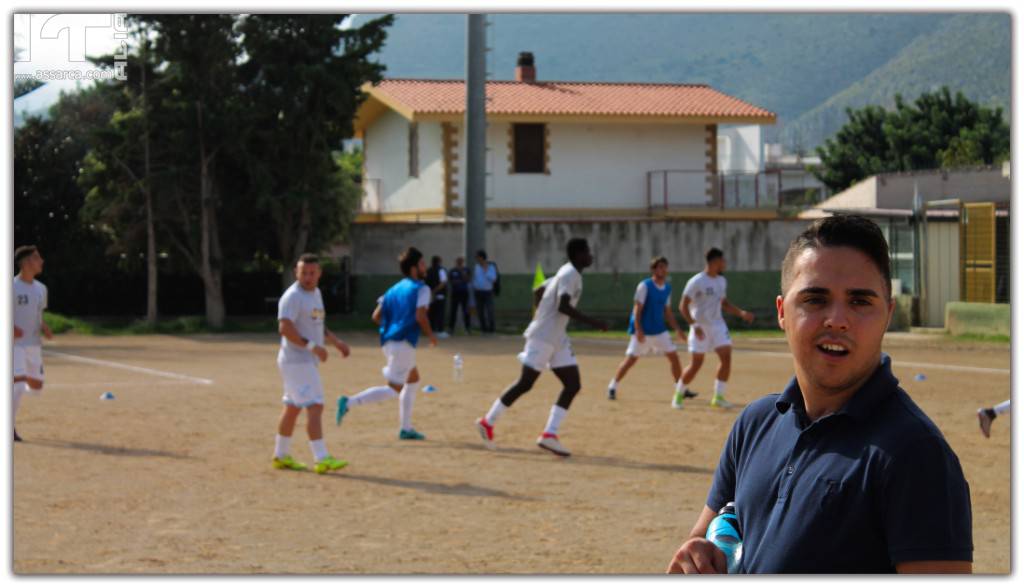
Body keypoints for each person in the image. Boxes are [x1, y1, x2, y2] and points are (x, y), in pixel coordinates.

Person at [666, 215, 972, 574]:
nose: (837, 319)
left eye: (860, 302)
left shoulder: (917, 454)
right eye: (815, 299)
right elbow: (704, 544)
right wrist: (696, 557)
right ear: (782, 311)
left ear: (887, 314)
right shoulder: (754, 425)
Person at [475, 238, 608, 458]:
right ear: (577, 255)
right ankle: (487, 422)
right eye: (587, 252)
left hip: (557, 338)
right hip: (544, 336)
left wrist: (542, 311)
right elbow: (563, 306)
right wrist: (595, 323)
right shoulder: (569, 274)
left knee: (573, 384)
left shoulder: (566, 273)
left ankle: (549, 434)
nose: (591, 256)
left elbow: (538, 291)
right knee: (526, 383)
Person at [336, 247, 437, 440]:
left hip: (389, 342)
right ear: (414, 268)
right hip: (404, 343)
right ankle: (348, 402)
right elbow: (420, 316)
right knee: (393, 389)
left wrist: (393, 326)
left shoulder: (393, 289)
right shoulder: (422, 288)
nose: (425, 267)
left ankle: (406, 428)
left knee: (413, 379)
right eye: (422, 263)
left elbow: (376, 316)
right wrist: (431, 336)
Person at [273, 253, 350, 474]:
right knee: (315, 405)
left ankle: (280, 455)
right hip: (297, 361)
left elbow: (317, 324)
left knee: (292, 407)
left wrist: (336, 342)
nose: (307, 277)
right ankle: (322, 457)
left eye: (312, 272)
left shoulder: (315, 293)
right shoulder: (292, 296)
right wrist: (312, 347)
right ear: (296, 273)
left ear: (319, 273)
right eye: (303, 272)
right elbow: (285, 328)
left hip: (301, 361)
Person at [607, 256, 696, 404]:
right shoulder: (645, 286)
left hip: (659, 330)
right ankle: (612, 386)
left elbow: (667, 311)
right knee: (630, 360)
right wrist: (638, 329)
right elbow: (637, 309)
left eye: (664, 267)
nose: (663, 270)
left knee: (674, 357)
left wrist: (678, 330)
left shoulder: (667, 288)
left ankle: (680, 388)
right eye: (659, 267)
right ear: (653, 270)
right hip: (643, 330)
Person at [676, 248, 754, 409]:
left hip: (718, 325)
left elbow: (724, 304)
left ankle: (718, 396)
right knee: (696, 364)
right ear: (715, 262)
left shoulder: (721, 281)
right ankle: (678, 394)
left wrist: (741, 313)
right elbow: (682, 306)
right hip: (700, 327)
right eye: (723, 260)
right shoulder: (696, 281)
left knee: (726, 357)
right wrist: (694, 325)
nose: (725, 264)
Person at [12, 245, 53, 443]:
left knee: (36, 387)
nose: (41, 261)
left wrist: (44, 326)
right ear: (27, 262)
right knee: (18, 386)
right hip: (13, 344)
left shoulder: (41, 288)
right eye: (37, 258)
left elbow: (38, 313)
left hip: (33, 344)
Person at [471, 250, 498, 333]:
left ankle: (491, 329)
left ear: (482, 257)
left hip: (488, 292)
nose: (476, 259)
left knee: (490, 310)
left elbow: (493, 279)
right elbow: (475, 278)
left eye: (477, 257)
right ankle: (483, 329)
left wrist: (485, 270)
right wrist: (474, 286)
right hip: (478, 292)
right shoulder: (476, 267)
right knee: (480, 311)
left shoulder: (491, 267)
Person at [425, 255, 449, 339]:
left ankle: (432, 330)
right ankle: (440, 331)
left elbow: (425, 282)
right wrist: (435, 291)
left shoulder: (428, 270)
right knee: (440, 313)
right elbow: (443, 283)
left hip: (430, 295)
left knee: (432, 313)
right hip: (439, 295)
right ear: (439, 261)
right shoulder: (441, 270)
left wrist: (431, 292)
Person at [447, 256, 472, 335]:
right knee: (453, 311)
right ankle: (451, 329)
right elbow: (452, 281)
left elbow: (467, 280)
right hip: (455, 292)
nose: (460, 262)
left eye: (461, 261)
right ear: (456, 262)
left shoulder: (466, 269)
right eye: (458, 261)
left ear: (463, 262)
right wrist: (461, 280)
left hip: (464, 292)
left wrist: (461, 273)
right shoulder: (452, 270)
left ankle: (467, 329)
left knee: (466, 311)